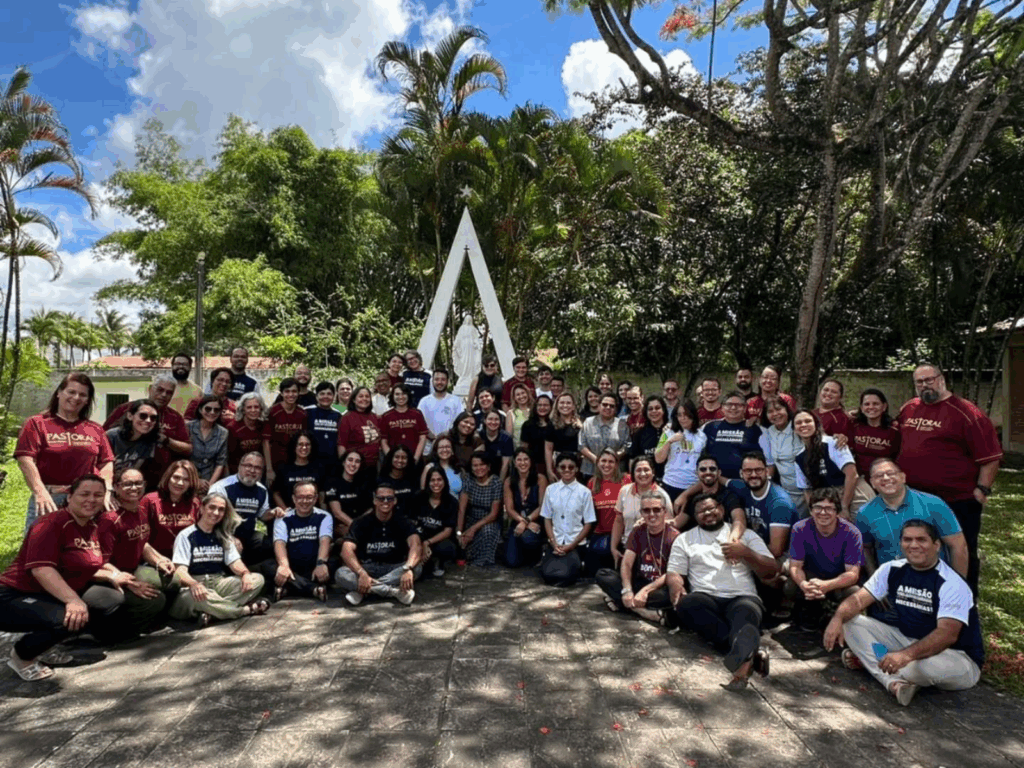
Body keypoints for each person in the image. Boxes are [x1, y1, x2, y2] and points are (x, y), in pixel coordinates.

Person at [823, 519, 984, 706]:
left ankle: (872, 663)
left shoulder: (951, 583)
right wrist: (837, 617)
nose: (914, 545)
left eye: (921, 540)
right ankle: (893, 682)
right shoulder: (892, 569)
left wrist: (905, 656)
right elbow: (858, 599)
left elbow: (946, 635)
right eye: (908, 540)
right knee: (850, 621)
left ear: (936, 545)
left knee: (915, 668)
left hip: (957, 657)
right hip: (907, 641)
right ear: (901, 544)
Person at [0, 475, 126, 681]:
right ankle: (22, 656)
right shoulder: (51, 523)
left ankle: (45, 644)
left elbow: (78, 564)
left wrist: (111, 575)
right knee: (68, 618)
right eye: (84, 494)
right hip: (12, 595)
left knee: (108, 599)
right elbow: (41, 569)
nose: (91, 500)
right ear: (70, 496)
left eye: (98, 495)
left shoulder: (91, 527)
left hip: (47, 594)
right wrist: (74, 601)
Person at [897, 363, 1002, 595]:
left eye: (929, 380)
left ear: (941, 379)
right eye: (919, 382)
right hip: (914, 497)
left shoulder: (967, 413)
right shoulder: (909, 409)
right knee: (921, 548)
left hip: (956, 498)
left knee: (961, 550)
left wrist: (982, 489)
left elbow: (991, 457)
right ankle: (927, 594)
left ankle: (963, 599)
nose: (925, 385)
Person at [667, 493, 777, 690]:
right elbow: (674, 572)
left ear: (722, 509)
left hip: (742, 596)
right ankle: (751, 653)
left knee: (745, 613)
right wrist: (677, 587)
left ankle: (741, 672)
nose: (708, 513)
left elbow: (771, 570)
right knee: (687, 605)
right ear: (695, 516)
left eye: (711, 508)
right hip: (705, 597)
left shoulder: (747, 535)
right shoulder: (685, 539)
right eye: (701, 511)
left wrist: (746, 553)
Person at [16, 371, 115, 532]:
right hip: (49, 498)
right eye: (71, 392)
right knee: (41, 550)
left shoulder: (95, 429)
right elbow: (25, 459)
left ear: (87, 400)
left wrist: (106, 490)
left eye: (82, 395)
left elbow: (106, 462)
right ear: (59, 393)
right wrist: (40, 492)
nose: (76, 398)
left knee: (80, 550)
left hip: (85, 501)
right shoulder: (37, 423)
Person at [856, 458, 969, 579]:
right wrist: (875, 580)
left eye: (891, 473)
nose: (885, 478)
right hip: (892, 582)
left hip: (934, 580)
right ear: (872, 483)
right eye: (879, 476)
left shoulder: (933, 504)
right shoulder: (865, 513)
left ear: (903, 477)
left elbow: (958, 546)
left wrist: (958, 584)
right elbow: (865, 548)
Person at [169, 493, 268, 624]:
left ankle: (214, 613)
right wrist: (193, 584)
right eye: (212, 507)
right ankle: (243, 610)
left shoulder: (223, 536)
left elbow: (234, 562)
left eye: (221, 509)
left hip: (218, 583)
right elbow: (180, 571)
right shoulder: (186, 535)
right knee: (193, 598)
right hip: (195, 585)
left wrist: (245, 573)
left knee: (257, 579)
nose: (216, 512)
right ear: (202, 508)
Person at [97, 469, 170, 640]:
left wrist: (159, 560)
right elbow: (102, 561)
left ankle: (155, 619)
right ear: (116, 487)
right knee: (155, 599)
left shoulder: (142, 510)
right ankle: (119, 632)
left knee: (171, 580)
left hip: (134, 568)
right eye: (128, 484)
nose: (134, 488)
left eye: (138, 483)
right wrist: (131, 583)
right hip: (111, 576)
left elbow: (141, 542)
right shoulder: (109, 520)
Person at [336, 480, 422, 605]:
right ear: (374, 500)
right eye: (381, 498)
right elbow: (346, 550)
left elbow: (416, 545)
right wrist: (361, 573)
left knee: (417, 568)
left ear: (395, 501)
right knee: (341, 574)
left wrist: (408, 568)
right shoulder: (360, 522)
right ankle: (394, 592)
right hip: (366, 567)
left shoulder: (403, 521)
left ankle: (363, 591)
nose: (385, 502)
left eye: (389, 498)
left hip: (395, 567)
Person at [788, 487, 863, 630]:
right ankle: (810, 611)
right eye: (818, 507)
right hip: (812, 578)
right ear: (810, 510)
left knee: (854, 591)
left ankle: (840, 616)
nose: (823, 513)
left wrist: (827, 585)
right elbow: (795, 566)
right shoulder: (800, 528)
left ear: (837, 511)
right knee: (790, 586)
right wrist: (804, 584)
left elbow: (853, 574)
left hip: (838, 581)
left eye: (829, 508)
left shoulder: (852, 533)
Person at [596, 490, 677, 623]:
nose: (652, 515)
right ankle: (644, 611)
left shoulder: (674, 536)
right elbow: (627, 563)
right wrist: (627, 590)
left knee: (671, 595)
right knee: (602, 574)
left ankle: (623, 603)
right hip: (638, 583)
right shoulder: (638, 531)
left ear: (664, 511)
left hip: (658, 588)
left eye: (656, 510)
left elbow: (671, 573)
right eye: (646, 510)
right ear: (641, 513)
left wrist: (645, 591)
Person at [102, 376, 192, 481]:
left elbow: (188, 449)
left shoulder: (175, 417)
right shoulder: (125, 409)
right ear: (150, 389)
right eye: (160, 390)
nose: (163, 395)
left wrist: (165, 440)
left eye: (169, 392)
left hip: (156, 478)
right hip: (116, 475)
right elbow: (102, 438)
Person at [259, 481, 334, 602]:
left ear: (315, 499)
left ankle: (288, 587)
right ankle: (313, 589)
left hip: (314, 565)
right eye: (300, 497)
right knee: (267, 565)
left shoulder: (324, 516)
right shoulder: (283, 518)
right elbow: (279, 544)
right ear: (294, 498)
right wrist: (284, 566)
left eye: (309, 497)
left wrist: (320, 564)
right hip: (291, 566)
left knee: (334, 561)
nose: (304, 501)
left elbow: (325, 541)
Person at [136, 461, 201, 591]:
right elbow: (140, 539)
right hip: (154, 562)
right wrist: (158, 560)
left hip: (185, 562)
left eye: (186, 480)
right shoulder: (150, 500)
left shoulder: (194, 503)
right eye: (176, 477)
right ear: (168, 477)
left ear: (191, 483)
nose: (180, 483)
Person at [209, 452, 279, 566]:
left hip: (249, 534)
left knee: (267, 540)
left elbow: (262, 515)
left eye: (257, 468)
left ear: (262, 472)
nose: (252, 470)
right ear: (239, 466)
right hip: (223, 533)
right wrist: (229, 538)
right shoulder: (221, 487)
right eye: (248, 466)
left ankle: (254, 571)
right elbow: (211, 520)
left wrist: (273, 512)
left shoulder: (262, 490)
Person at [726, 452, 797, 561]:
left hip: (782, 557)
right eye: (748, 471)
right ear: (741, 473)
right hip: (753, 546)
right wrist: (688, 495)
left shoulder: (779, 503)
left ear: (767, 471)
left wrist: (742, 550)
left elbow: (776, 551)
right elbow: (718, 479)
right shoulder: (742, 486)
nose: (753, 475)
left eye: (758, 470)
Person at [540, 451, 596, 587]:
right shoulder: (550, 490)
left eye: (571, 467)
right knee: (548, 575)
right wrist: (553, 543)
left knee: (565, 576)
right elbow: (547, 519)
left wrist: (571, 545)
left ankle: (576, 564)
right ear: (557, 469)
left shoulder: (584, 492)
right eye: (562, 467)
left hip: (575, 543)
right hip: (556, 542)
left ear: (576, 469)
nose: (567, 470)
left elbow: (588, 523)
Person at [792, 408, 858, 518]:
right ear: (794, 430)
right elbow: (806, 490)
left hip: (850, 493)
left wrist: (844, 506)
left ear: (816, 424)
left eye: (808, 421)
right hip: (825, 500)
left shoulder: (833, 443)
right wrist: (813, 512)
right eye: (798, 423)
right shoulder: (799, 458)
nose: (803, 425)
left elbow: (852, 474)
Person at [845, 388, 900, 512]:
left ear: (884, 406)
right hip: (859, 483)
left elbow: (898, 458)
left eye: (875, 404)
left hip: (884, 482)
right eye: (866, 404)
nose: (871, 407)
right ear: (861, 407)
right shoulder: (854, 425)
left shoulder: (894, 430)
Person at [611, 455, 672, 565]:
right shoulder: (624, 491)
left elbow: (669, 526)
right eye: (638, 470)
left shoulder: (662, 495)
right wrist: (613, 548)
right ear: (633, 474)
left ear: (653, 472)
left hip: (652, 549)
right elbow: (619, 521)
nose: (643, 474)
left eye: (646, 470)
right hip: (627, 547)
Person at [701, 391, 772, 479]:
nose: (733, 408)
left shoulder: (757, 429)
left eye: (738, 405)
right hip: (714, 482)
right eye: (729, 404)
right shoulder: (709, 427)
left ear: (745, 408)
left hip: (746, 483)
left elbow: (769, 463)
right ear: (722, 407)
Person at [671, 454, 746, 533]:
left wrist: (734, 539)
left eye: (712, 469)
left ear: (719, 472)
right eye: (703, 469)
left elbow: (739, 519)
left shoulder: (730, 495)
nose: (708, 472)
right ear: (697, 473)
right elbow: (677, 523)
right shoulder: (692, 497)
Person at [409, 467, 459, 577]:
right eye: (432, 480)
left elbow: (447, 531)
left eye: (439, 479)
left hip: (437, 540)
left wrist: (427, 543)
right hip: (419, 536)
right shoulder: (419, 497)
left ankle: (437, 561)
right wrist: (419, 543)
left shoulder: (452, 502)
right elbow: (411, 523)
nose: (436, 483)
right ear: (428, 482)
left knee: (448, 548)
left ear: (444, 481)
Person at [585, 448, 628, 575]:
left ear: (616, 464)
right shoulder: (592, 483)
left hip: (622, 533)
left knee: (605, 551)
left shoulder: (626, 480)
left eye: (611, 461)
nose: (606, 465)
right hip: (600, 532)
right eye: (603, 461)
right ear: (597, 463)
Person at [457, 452, 504, 567]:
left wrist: (473, 529)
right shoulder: (469, 479)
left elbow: (494, 514)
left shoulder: (496, 483)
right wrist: (459, 532)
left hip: (488, 521)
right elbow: (462, 509)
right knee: (462, 541)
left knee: (487, 532)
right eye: (475, 465)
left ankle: (482, 563)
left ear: (488, 467)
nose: (479, 468)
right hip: (471, 519)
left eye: (482, 465)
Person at [760, 396, 805, 514]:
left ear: (787, 410)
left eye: (779, 409)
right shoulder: (769, 432)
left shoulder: (798, 427)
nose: (775, 414)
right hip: (786, 492)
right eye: (770, 411)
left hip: (807, 492)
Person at [503, 448, 547, 567]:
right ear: (514, 462)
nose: (523, 463)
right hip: (517, 522)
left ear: (531, 461)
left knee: (528, 538)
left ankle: (538, 553)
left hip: (536, 522)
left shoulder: (540, 479)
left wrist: (527, 521)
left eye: (526, 459)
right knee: (511, 562)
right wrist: (522, 522)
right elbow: (509, 509)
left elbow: (542, 506)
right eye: (519, 460)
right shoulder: (509, 481)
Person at [655, 399, 706, 502]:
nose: (683, 418)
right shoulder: (667, 433)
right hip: (671, 482)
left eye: (686, 414)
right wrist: (669, 442)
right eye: (679, 415)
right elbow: (658, 459)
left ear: (693, 415)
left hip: (692, 485)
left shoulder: (702, 436)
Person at [263, 378, 308, 483]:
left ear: (298, 393)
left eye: (294, 391)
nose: (291, 395)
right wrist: (269, 469)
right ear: (282, 393)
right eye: (287, 391)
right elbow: (266, 441)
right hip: (275, 461)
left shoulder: (302, 414)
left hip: (295, 461)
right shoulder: (272, 412)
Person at [106, 398, 162, 481]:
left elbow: (133, 470)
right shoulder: (111, 436)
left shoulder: (150, 440)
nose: (148, 421)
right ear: (130, 416)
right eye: (143, 416)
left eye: (153, 418)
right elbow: (103, 467)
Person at [186, 394, 229, 495]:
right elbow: (182, 457)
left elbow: (220, 462)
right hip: (188, 478)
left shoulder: (223, 433)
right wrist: (195, 480)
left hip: (209, 481)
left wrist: (210, 485)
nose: (212, 412)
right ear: (200, 410)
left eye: (216, 410)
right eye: (208, 409)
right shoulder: (188, 427)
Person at [579, 392, 629, 478]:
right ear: (598, 406)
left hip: (616, 472)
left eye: (612, 406)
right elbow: (581, 445)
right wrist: (597, 460)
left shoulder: (622, 424)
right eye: (605, 405)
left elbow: (627, 445)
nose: (608, 407)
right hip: (591, 470)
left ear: (616, 409)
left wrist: (611, 460)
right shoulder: (588, 422)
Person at [337, 386, 382, 481]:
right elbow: (341, 444)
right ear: (353, 399)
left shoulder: (374, 417)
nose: (364, 399)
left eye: (367, 396)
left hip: (373, 468)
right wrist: (345, 467)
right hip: (355, 468)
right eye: (361, 396)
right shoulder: (347, 418)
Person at [325, 450, 371, 541]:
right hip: (340, 526)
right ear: (343, 462)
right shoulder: (332, 483)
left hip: (361, 525)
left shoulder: (364, 483)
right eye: (350, 460)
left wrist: (359, 525)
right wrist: (355, 526)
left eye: (357, 461)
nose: (353, 464)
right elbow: (337, 512)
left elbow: (370, 509)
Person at [271, 431, 324, 510]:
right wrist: (286, 511)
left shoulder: (318, 468)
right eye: (300, 444)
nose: (304, 447)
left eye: (307, 444)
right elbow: (276, 493)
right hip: (290, 515)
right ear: (294, 447)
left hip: (313, 515)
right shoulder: (284, 469)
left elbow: (321, 493)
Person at [379, 383, 428, 463]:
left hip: (414, 459)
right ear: (392, 396)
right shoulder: (386, 416)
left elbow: (422, 438)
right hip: (394, 462)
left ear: (408, 395)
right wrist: (391, 459)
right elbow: (383, 441)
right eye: (397, 394)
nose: (400, 397)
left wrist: (415, 458)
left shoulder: (417, 414)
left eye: (403, 394)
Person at [419, 368, 462, 455]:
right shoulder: (424, 401)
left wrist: (445, 436)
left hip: (449, 448)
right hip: (428, 449)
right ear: (432, 381)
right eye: (437, 379)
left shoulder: (455, 400)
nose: (439, 382)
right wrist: (432, 436)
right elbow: (419, 422)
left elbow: (460, 422)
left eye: (443, 379)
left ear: (447, 381)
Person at [545, 393, 582, 483]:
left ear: (573, 406)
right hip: (559, 464)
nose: (565, 405)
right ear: (557, 406)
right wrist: (549, 470)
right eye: (562, 403)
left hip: (576, 465)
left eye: (568, 403)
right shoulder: (551, 424)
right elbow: (548, 449)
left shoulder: (580, 424)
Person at [227, 392, 266, 474]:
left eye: (256, 407)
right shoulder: (233, 428)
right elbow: (228, 457)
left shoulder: (264, 426)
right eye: (249, 407)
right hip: (238, 471)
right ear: (243, 409)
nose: (253, 410)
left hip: (259, 470)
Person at [305, 382, 342, 470]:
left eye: (329, 394)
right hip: (311, 461)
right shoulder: (308, 412)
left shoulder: (338, 415)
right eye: (322, 394)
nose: (325, 397)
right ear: (316, 396)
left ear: (333, 396)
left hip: (332, 463)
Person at [520, 394, 554, 477]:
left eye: (545, 405)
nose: (542, 407)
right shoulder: (527, 425)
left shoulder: (555, 424)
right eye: (540, 405)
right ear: (535, 407)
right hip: (534, 465)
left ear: (551, 407)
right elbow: (524, 448)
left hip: (553, 464)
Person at [420, 434, 464, 498]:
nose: (444, 450)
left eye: (447, 447)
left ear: (452, 451)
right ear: (436, 451)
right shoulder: (429, 468)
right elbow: (423, 493)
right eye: (441, 447)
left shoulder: (458, 469)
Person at [629, 395, 668, 467]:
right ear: (646, 412)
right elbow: (633, 460)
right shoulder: (639, 434)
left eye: (657, 408)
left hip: (670, 476)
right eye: (650, 409)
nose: (654, 411)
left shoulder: (671, 431)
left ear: (663, 410)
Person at [379, 445, 418, 515]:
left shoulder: (413, 479)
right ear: (391, 458)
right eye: (397, 457)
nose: (400, 461)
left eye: (404, 458)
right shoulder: (381, 480)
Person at [480, 410, 514, 480]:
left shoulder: (506, 438)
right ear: (484, 421)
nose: (493, 422)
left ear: (500, 422)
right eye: (490, 419)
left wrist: (500, 483)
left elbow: (505, 465)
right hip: (481, 475)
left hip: (500, 475)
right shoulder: (479, 436)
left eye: (496, 419)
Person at [505, 382, 535, 447]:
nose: (521, 396)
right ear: (514, 398)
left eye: (523, 393)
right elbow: (509, 436)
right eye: (518, 395)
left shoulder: (534, 411)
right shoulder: (511, 413)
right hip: (518, 450)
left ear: (528, 394)